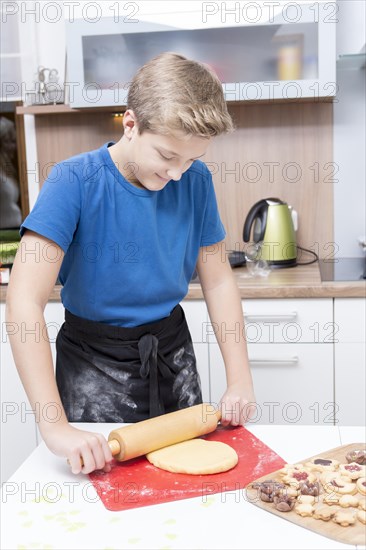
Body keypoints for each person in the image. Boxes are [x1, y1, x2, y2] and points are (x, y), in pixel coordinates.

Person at [6, 52, 255, 475]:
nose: (178, 174)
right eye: (166, 156)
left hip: (171, 353)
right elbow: (23, 301)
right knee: (102, 498)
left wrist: (240, 379)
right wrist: (55, 427)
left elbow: (217, 283)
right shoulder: (73, 182)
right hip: (92, 363)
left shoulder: (196, 181)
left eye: (190, 159)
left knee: (183, 487)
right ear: (130, 124)